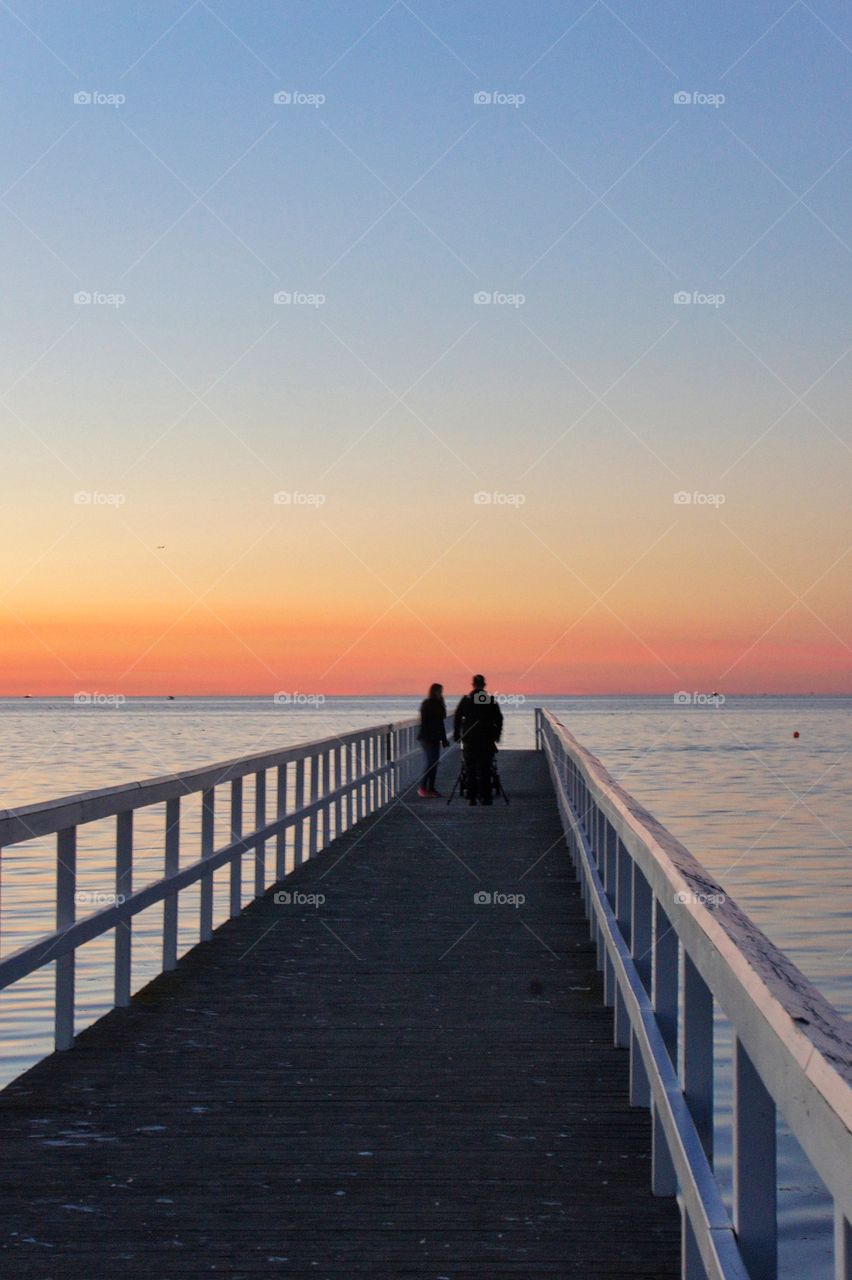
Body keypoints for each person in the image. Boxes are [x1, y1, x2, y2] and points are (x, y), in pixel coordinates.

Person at [453, 674, 503, 805]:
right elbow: (499, 719)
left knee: (471, 768)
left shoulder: (467, 700)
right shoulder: (489, 699)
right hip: (486, 739)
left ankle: (472, 796)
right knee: (485, 768)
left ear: (473, 685)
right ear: (484, 685)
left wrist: (457, 735)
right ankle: (486, 797)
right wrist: (497, 735)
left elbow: (457, 717)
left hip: (470, 739)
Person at [417, 683, 449, 798]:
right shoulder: (428, 704)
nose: (441, 693)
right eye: (440, 691)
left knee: (434, 763)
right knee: (431, 763)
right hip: (427, 738)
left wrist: (444, 739)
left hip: (434, 738)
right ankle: (423, 787)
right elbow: (426, 721)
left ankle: (431, 788)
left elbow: (441, 721)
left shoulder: (438, 704)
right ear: (434, 691)